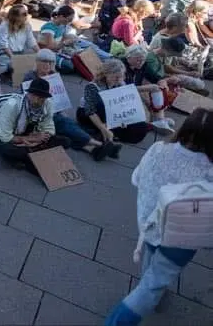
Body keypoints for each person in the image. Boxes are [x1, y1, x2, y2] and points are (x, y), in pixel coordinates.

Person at [105, 108, 213, 326]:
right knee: (152, 285)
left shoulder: (158, 148)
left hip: (150, 224)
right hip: (183, 236)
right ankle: (117, 321)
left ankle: (153, 291)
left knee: (151, 254)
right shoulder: (210, 169)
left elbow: (136, 178)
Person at [23, 49, 119, 160]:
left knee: (65, 130)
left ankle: (92, 150)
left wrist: (61, 107)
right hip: (38, 114)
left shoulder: (53, 76)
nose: (47, 65)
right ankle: (100, 144)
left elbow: (59, 97)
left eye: (50, 62)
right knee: (65, 124)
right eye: (44, 61)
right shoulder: (30, 77)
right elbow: (28, 99)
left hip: (53, 111)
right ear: (37, 62)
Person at [0, 77, 70, 173]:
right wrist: (29, 139)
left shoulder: (47, 103)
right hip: (11, 136)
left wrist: (41, 137)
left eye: (42, 98)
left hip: (33, 134)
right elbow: (5, 136)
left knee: (65, 141)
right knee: (6, 147)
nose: (39, 100)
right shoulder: (11, 106)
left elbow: (48, 126)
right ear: (29, 94)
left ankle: (27, 157)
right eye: (36, 96)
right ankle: (30, 157)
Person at [77, 58, 151, 144]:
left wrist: (124, 119)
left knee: (141, 127)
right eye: (116, 77)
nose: (119, 79)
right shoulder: (92, 86)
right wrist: (102, 127)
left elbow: (124, 104)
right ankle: (106, 133)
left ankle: (110, 133)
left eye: (122, 76)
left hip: (110, 113)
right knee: (103, 111)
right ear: (106, 74)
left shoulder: (120, 83)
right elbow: (90, 111)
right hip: (90, 113)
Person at [0, 4, 38, 76]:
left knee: (40, 63)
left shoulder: (27, 26)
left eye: (26, 13)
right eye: (24, 14)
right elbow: (4, 46)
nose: (26, 15)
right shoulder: (4, 26)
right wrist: (14, 59)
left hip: (19, 54)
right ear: (15, 16)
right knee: (25, 67)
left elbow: (31, 41)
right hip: (5, 55)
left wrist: (41, 53)